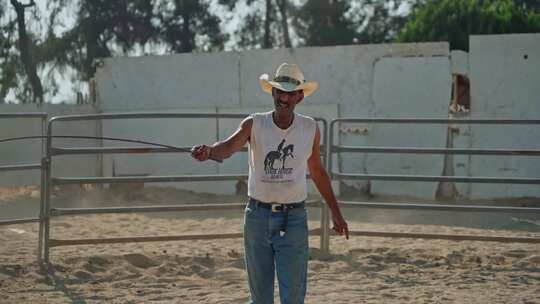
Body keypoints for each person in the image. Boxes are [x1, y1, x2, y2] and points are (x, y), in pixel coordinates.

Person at [191, 63, 349, 304]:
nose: (283, 97)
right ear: (272, 93)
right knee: (260, 298)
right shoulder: (254, 124)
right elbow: (228, 147)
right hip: (257, 217)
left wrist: (336, 213)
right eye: (279, 91)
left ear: (299, 97)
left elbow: (317, 170)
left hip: (293, 219)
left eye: (289, 93)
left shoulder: (309, 128)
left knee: (293, 296)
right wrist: (209, 151)